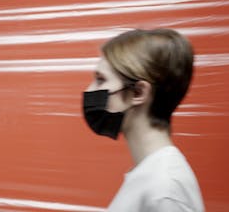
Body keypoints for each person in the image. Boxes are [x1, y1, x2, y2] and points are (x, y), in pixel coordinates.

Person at [82, 28, 204, 212]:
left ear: (138, 92)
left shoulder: (165, 190)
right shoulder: (151, 176)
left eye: (100, 80)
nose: (90, 90)